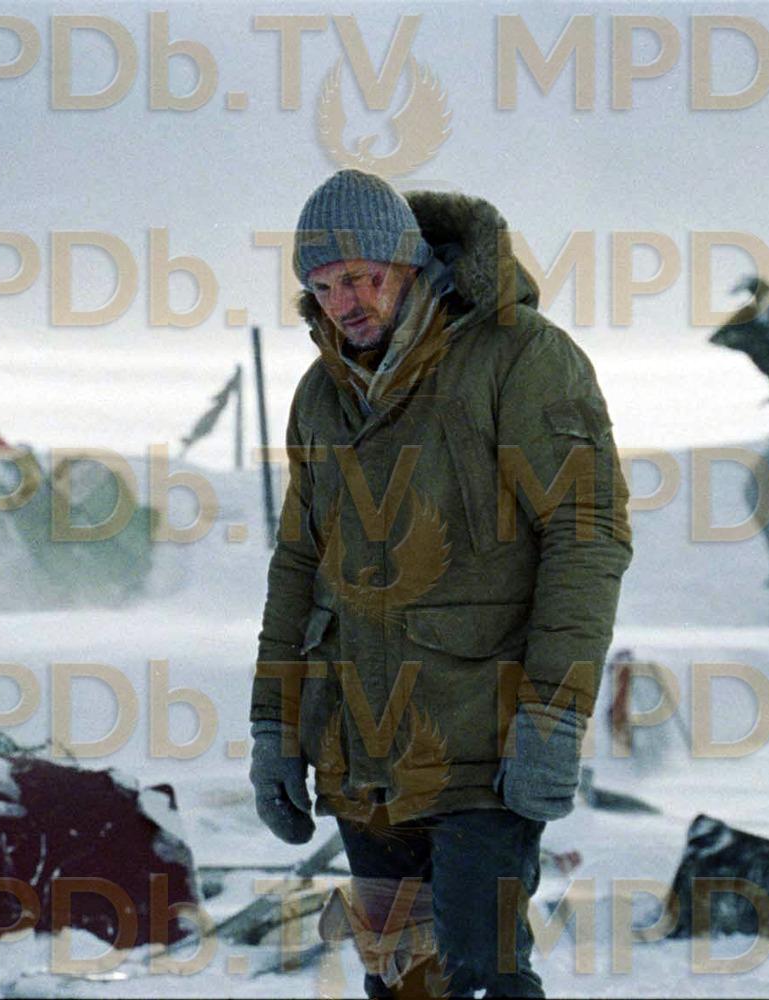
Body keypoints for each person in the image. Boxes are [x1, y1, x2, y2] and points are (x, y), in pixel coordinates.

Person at [247, 170, 633, 998]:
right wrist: (273, 726)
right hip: (361, 751)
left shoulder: (519, 356)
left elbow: (585, 535)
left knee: (480, 976)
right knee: (401, 981)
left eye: (361, 278)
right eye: (323, 286)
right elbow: (298, 567)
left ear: (411, 262)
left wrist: (554, 713)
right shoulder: (319, 396)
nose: (344, 303)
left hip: (482, 744)